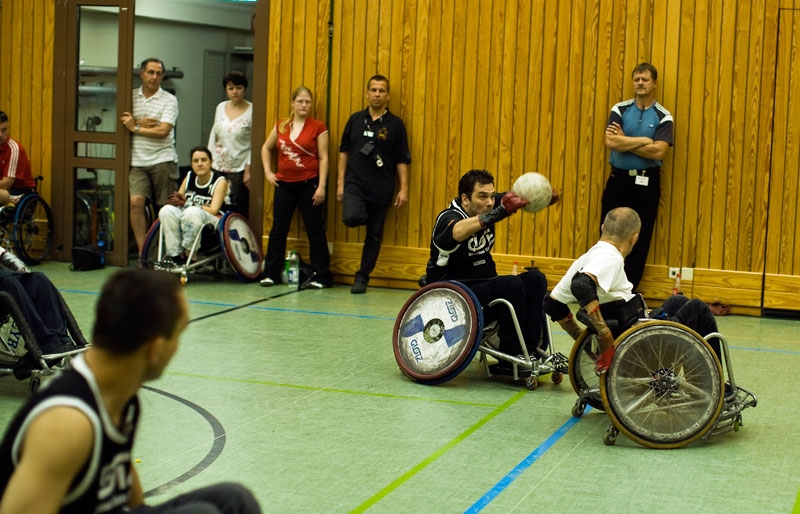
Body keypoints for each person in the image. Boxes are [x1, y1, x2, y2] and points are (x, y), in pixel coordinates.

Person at [0, 269, 262, 514]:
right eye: (177, 338)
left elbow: (130, 497)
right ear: (155, 349)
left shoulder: (121, 394)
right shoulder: (66, 425)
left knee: (235, 499)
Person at [542, 207, 720, 373]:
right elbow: (581, 285)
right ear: (634, 238)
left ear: (603, 228)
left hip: (631, 328)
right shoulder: (609, 257)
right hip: (641, 345)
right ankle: (712, 386)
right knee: (698, 309)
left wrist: (586, 345)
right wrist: (604, 334)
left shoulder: (587, 257)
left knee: (678, 302)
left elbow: (552, 305)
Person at [425, 169, 557, 377]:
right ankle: (509, 355)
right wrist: (499, 212)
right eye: (482, 196)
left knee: (535, 279)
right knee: (511, 285)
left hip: (484, 288)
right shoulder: (448, 218)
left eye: (491, 195)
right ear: (465, 199)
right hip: (454, 296)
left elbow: (515, 197)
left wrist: (542, 197)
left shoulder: (488, 203)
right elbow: (458, 232)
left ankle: (528, 351)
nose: (489, 202)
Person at [602, 62, 673, 290]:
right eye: (637, 79)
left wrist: (626, 142)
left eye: (645, 79)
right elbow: (611, 141)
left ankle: (628, 291)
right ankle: (604, 287)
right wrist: (644, 141)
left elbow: (660, 151)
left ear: (654, 83)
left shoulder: (664, 116)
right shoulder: (620, 110)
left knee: (638, 239)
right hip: (619, 181)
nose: (640, 83)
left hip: (647, 184)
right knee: (609, 233)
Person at [337, 75, 410, 294]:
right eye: (373, 90)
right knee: (351, 217)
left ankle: (362, 278)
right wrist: (340, 183)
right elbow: (343, 152)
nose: (377, 94)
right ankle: (362, 211)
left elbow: (402, 159)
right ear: (367, 93)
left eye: (381, 90)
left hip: (382, 188)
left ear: (387, 96)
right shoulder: (356, 120)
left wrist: (403, 188)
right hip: (355, 184)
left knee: (374, 235)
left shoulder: (395, 124)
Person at [260, 86, 332, 289]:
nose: (304, 105)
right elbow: (265, 148)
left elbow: (324, 157)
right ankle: (270, 274)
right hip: (284, 185)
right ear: (292, 103)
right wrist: (268, 172)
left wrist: (322, 186)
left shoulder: (318, 127)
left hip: (309, 184)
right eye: (300, 101)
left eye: (307, 102)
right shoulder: (282, 126)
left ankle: (322, 276)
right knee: (278, 229)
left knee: (314, 230)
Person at [121, 58, 180, 256]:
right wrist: (137, 123)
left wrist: (135, 127)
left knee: (165, 208)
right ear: (141, 73)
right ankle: (143, 252)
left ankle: (167, 252)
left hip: (163, 159)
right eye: (151, 72)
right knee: (136, 202)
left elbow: (163, 130)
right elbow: (122, 122)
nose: (154, 77)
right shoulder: (130, 97)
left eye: (158, 73)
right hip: (137, 161)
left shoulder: (169, 100)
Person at [157, 146, 229, 270]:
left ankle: (190, 254)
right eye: (196, 161)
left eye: (203, 160)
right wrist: (173, 201)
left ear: (211, 162)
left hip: (211, 226)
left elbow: (213, 210)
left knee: (192, 211)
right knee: (166, 211)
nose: (200, 164)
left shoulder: (220, 181)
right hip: (188, 220)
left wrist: (189, 204)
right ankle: (175, 255)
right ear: (191, 164)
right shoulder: (189, 176)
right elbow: (179, 202)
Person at [208, 71, 252, 216]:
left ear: (245, 89)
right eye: (231, 88)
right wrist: (208, 159)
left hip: (239, 167)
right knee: (214, 204)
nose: (235, 92)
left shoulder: (252, 110)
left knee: (235, 206)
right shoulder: (221, 107)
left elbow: (255, 141)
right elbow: (214, 133)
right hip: (217, 164)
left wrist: (248, 168)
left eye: (239, 88)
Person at [0, 110, 36, 205]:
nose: (0, 135)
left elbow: (6, 184)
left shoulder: (14, 149)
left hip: (20, 191)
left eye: (4, 130)